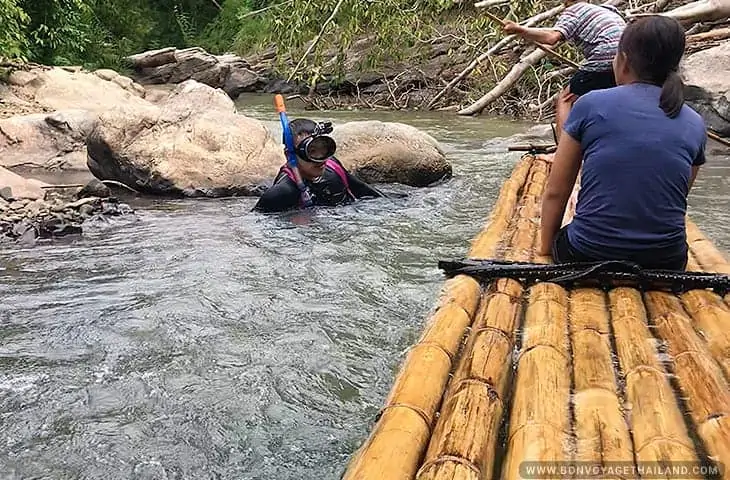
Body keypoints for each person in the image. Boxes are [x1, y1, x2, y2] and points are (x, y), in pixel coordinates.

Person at [539, 15, 707, 271]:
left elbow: (556, 191)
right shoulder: (695, 122)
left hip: (587, 252)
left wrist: (546, 249)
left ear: (624, 61)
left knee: (568, 236)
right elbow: (676, 195)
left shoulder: (591, 103)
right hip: (667, 260)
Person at [503, 0, 626, 138]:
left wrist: (519, 30)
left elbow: (551, 37)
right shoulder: (604, 10)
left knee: (565, 99)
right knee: (612, 99)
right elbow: (553, 31)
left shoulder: (573, 11)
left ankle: (561, 150)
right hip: (627, 58)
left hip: (605, 55)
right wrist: (521, 29)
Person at [253, 118, 385, 212]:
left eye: (324, 149)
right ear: (289, 155)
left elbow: (367, 193)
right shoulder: (281, 192)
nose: (321, 159)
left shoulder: (333, 166)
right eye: (311, 151)